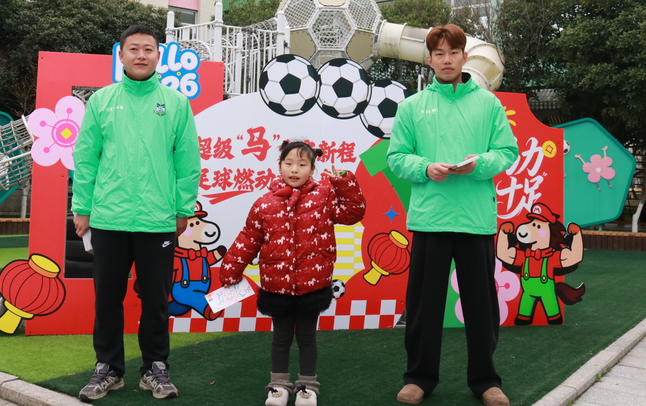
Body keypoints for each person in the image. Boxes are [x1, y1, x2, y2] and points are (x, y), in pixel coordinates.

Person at [386, 24, 518, 406]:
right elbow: (397, 157)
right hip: (431, 218)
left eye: (453, 52)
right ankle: (418, 378)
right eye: (439, 54)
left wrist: (479, 164)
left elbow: (507, 152)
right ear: (429, 60)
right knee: (424, 305)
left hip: (475, 219)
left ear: (465, 57)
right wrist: (425, 168)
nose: (447, 60)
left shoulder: (488, 104)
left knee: (481, 306)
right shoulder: (412, 106)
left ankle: (486, 381)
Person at [72, 24, 200, 401]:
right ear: (121, 55)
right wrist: (82, 208)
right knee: (107, 299)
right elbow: (86, 157)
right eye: (134, 49)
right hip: (107, 218)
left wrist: (182, 208)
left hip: (157, 220)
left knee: (156, 301)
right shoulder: (102, 101)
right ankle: (108, 369)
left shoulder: (175, 103)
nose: (141, 55)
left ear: (158, 55)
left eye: (148, 49)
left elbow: (188, 161)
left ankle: (154, 368)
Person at [219, 140, 366, 406]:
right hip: (276, 285)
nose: (294, 169)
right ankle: (278, 386)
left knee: (308, 337)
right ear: (280, 166)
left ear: (312, 169)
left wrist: (343, 182)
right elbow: (249, 238)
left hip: (313, 285)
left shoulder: (325, 196)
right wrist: (231, 269)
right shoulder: (264, 203)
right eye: (289, 163)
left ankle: (307, 387)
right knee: (281, 338)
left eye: (302, 164)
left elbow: (352, 213)